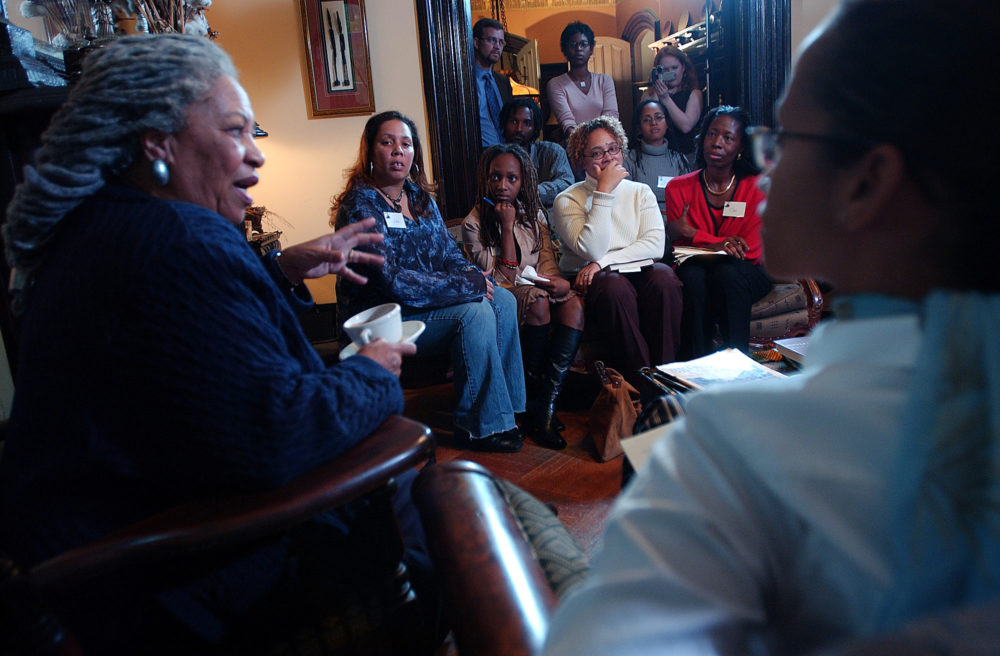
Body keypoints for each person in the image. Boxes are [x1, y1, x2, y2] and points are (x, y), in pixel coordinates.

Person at [543, 0, 1000, 653]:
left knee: (520, 523)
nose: (766, 163)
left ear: (867, 184)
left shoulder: (730, 454)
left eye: (784, 140)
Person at [0, 35, 432, 653]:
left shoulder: (105, 226)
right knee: (464, 504)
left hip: (129, 541)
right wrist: (372, 368)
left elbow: (212, 362)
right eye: (235, 131)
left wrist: (280, 270)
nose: (255, 158)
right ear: (159, 144)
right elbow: (279, 434)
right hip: (169, 588)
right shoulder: (179, 242)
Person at [333, 111, 526, 453]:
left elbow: (448, 254)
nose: (397, 151)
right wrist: (466, 288)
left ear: (414, 153)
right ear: (371, 151)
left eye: (405, 144)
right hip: (384, 318)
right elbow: (390, 280)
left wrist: (471, 275)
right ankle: (479, 427)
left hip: (425, 308)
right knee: (475, 312)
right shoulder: (360, 205)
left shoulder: (420, 198)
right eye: (387, 142)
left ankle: (506, 411)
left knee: (504, 301)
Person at [462, 144, 584, 450]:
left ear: (523, 182)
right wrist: (505, 227)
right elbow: (500, 278)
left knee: (573, 305)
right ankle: (529, 401)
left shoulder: (534, 219)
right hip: (501, 297)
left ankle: (545, 404)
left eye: (511, 179)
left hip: (534, 288)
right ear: (485, 181)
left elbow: (547, 266)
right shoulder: (472, 224)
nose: (503, 186)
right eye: (495, 178)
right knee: (538, 302)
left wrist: (560, 284)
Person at [552, 116, 682, 388]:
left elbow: (655, 246)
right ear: (581, 159)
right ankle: (643, 383)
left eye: (613, 149)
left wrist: (603, 263)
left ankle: (666, 377)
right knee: (614, 286)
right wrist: (604, 191)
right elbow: (591, 248)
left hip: (632, 269)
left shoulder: (640, 192)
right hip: (597, 282)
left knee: (664, 277)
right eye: (597, 153)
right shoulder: (566, 200)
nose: (608, 158)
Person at [665, 106, 771, 357]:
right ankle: (695, 367)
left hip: (747, 271)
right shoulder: (678, 188)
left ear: (741, 147)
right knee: (693, 277)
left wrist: (694, 234)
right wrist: (718, 245)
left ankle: (737, 363)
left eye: (728, 137)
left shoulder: (757, 187)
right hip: (697, 267)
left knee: (727, 274)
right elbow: (680, 251)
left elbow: (751, 251)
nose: (717, 143)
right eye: (712, 134)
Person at [500, 97, 574, 217]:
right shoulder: (495, 158)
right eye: (513, 122)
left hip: (550, 219)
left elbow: (566, 183)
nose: (519, 129)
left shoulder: (552, 152)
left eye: (527, 123)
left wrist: (530, 191)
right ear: (504, 123)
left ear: (535, 127)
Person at [546, 21, 619, 141]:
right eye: (573, 44)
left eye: (583, 44)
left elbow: (611, 119)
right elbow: (568, 124)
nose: (578, 49)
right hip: (575, 149)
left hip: (605, 146)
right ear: (564, 49)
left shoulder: (605, 81)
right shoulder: (555, 84)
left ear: (591, 49)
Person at [624, 98, 690, 215]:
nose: (653, 123)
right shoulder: (628, 159)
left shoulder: (679, 159)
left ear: (667, 123)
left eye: (658, 117)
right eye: (646, 119)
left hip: (676, 224)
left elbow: (688, 200)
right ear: (639, 127)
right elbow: (624, 201)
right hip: (640, 222)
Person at [640, 46, 703, 163]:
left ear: (683, 68)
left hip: (686, 157)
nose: (670, 73)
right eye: (665, 69)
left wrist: (665, 97)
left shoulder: (694, 94)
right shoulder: (649, 95)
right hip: (657, 157)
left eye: (674, 68)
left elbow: (686, 126)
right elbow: (647, 127)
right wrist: (655, 87)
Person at [472, 17, 513, 149]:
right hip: (477, 153)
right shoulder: (467, 81)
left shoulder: (503, 81)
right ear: (476, 43)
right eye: (492, 40)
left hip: (506, 151)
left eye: (501, 42)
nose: (497, 46)